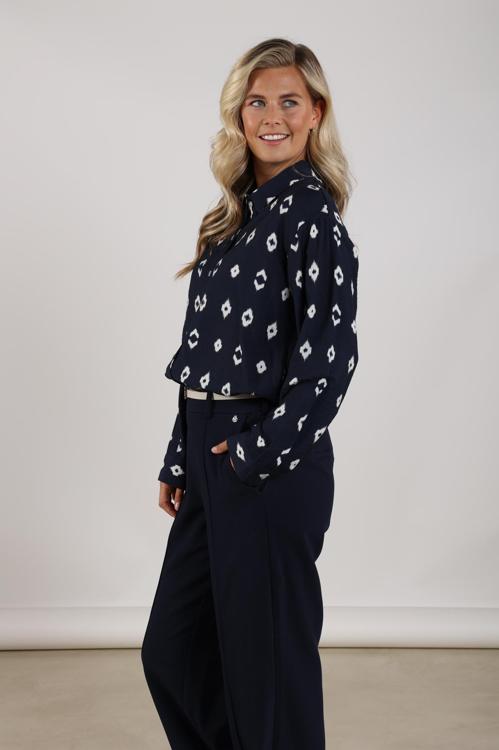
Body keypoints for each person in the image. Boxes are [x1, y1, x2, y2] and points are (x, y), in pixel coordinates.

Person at [141, 36, 360, 750]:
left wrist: (251, 455)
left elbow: (329, 363)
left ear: (315, 112)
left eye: (289, 101)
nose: (272, 117)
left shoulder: (312, 218)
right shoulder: (231, 218)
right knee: (175, 652)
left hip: (267, 462)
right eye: (256, 102)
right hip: (212, 458)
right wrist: (182, 454)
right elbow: (202, 348)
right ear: (238, 115)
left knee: (268, 677)